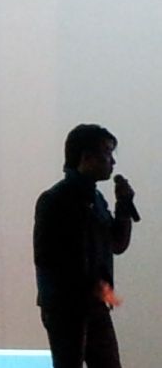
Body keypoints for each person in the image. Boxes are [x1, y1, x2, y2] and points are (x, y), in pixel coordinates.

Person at [33, 124, 136, 368]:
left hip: (96, 306)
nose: (112, 161)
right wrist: (88, 285)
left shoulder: (97, 199)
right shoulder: (54, 199)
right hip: (65, 309)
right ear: (86, 157)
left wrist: (123, 206)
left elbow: (117, 244)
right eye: (107, 153)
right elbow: (46, 258)